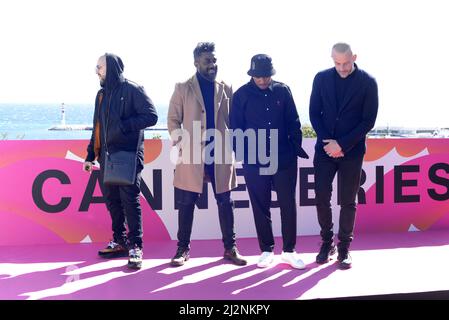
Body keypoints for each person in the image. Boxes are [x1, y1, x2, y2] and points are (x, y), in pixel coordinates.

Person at [167, 42, 247, 267]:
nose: (212, 65)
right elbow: (173, 120)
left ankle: (230, 248)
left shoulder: (226, 87)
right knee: (186, 203)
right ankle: (182, 250)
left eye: (214, 60)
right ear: (196, 63)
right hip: (192, 156)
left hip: (220, 155)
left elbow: (234, 121)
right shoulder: (183, 87)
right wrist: (183, 144)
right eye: (207, 61)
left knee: (225, 202)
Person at [230, 54, 309, 269]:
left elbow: (294, 121)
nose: (263, 80)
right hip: (254, 160)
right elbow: (235, 129)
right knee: (260, 205)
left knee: (287, 205)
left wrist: (293, 149)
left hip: (284, 158)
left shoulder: (283, 90)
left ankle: (290, 251)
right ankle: (266, 250)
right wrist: (245, 155)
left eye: (266, 76)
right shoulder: (241, 95)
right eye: (259, 76)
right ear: (252, 74)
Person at [84, 53, 158, 269]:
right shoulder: (101, 94)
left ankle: (136, 246)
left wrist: (124, 126)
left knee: (129, 201)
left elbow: (151, 116)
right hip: (106, 156)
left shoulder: (133, 90)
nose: (96, 71)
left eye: (99, 67)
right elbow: (97, 127)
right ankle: (119, 241)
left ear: (112, 68)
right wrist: (90, 155)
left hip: (128, 155)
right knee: (113, 201)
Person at [309, 43, 378, 269]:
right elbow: (314, 113)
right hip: (326, 149)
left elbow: (368, 121)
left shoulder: (368, 82)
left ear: (354, 57)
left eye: (346, 62)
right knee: (321, 197)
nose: (342, 68)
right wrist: (329, 142)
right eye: (337, 63)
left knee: (348, 200)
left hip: (352, 151)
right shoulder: (320, 78)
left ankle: (345, 247)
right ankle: (327, 243)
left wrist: (343, 144)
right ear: (332, 59)